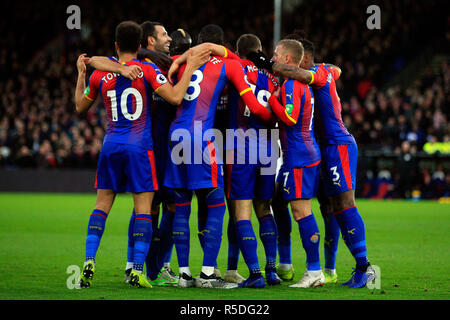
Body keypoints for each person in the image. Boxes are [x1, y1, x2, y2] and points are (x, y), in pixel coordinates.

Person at [75, 20, 209, 288]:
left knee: (101, 205)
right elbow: (174, 97)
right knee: (144, 209)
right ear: (140, 45)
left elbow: (80, 106)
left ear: (115, 45)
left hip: (111, 144)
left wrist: (81, 73)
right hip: (140, 147)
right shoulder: (146, 70)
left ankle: (89, 260)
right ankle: (137, 269)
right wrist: (191, 69)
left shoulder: (99, 73)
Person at [164, 24, 274, 289]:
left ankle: (184, 274)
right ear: (223, 44)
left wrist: (180, 58)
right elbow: (255, 105)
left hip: (175, 134)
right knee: (217, 203)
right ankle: (208, 275)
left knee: (182, 203)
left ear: (200, 42)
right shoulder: (229, 64)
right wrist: (279, 118)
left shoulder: (184, 61)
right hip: (202, 136)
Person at [270, 35, 377, 288]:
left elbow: (296, 72)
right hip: (321, 147)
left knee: (344, 204)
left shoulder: (315, 73)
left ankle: (364, 266)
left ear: (304, 59)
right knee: (330, 207)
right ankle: (331, 269)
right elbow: (336, 70)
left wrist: (271, 65)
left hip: (336, 145)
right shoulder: (327, 70)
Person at [224, 34, 281, 288]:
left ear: (239, 51)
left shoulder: (236, 67)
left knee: (241, 213)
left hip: (241, 145)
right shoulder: (272, 77)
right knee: (264, 209)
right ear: (260, 51)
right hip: (269, 145)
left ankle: (255, 274)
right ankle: (271, 270)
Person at [268, 39, 324, 288]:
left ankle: (314, 271)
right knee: (280, 200)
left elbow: (289, 118)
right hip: (300, 154)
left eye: (277, 54)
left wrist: (272, 101)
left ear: (288, 59)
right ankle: (288, 264)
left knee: (302, 211)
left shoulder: (292, 84)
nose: (273, 57)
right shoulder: (298, 84)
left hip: (299, 156)